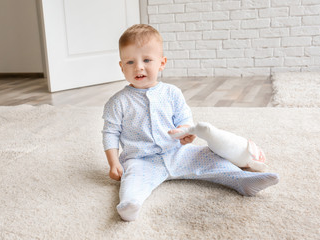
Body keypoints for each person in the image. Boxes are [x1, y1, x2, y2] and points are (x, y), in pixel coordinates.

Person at [102, 24, 279, 222]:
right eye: (130, 62)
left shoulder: (172, 93)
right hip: (140, 159)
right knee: (132, 179)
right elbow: (110, 132)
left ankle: (243, 181)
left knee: (211, 157)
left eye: (147, 60)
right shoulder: (117, 102)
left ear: (162, 63)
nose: (139, 67)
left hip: (177, 152)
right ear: (121, 67)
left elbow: (184, 119)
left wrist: (187, 131)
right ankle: (130, 204)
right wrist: (114, 162)